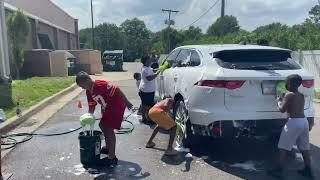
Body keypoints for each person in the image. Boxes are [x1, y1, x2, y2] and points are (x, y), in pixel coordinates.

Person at [76, 71, 133, 165]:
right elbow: (92, 106)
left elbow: (116, 89)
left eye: (82, 85)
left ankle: (112, 157)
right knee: (102, 125)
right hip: (107, 108)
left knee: (108, 130)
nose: (82, 88)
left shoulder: (99, 85)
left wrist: (127, 102)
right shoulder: (88, 91)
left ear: (87, 80)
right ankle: (107, 148)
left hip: (116, 106)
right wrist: (88, 117)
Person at [268, 74, 313, 178]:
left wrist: (279, 101)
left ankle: (278, 170)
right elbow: (294, 106)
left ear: (289, 84)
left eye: (286, 82)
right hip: (304, 122)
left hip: (293, 123)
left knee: (283, 147)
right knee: (304, 147)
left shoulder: (289, 95)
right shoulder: (301, 95)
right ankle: (308, 170)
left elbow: (282, 110)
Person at [139, 56, 160, 124]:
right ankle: (147, 119)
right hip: (145, 91)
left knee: (146, 105)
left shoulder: (148, 68)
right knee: (147, 106)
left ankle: (145, 119)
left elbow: (152, 70)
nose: (150, 61)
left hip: (149, 90)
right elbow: (149, 78)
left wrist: (159, 69)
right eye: (148, 60)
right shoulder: (144, 69)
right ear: (145, 61)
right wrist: (156, 74)